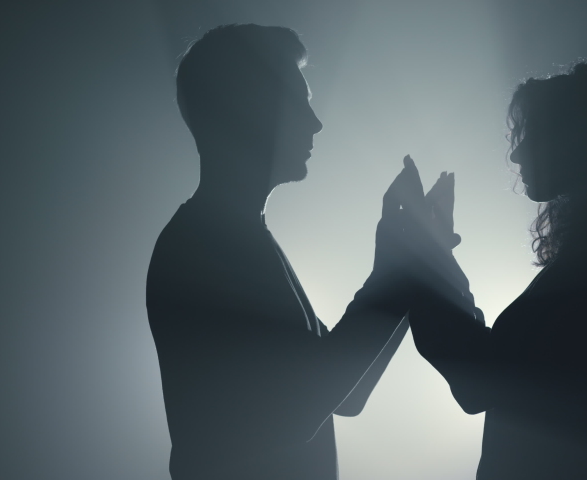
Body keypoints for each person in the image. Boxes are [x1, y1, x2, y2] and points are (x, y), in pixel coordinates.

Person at [146, 24, 414, 480]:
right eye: (297, 101)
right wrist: (400, 268)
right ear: (247, 110)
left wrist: (406, 270)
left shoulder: (236, 240)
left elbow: (345, 395)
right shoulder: (203, 250)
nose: (315, 122)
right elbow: (298, 411)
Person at [404, 61, 587, 479]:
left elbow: (481, 379)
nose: (516, 152)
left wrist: (419, 255)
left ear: (578, 142)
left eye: (531, 135)